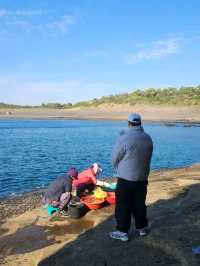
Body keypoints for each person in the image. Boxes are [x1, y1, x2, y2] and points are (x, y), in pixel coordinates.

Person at [110, 113, 153, 241]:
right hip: (142, 178)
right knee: (139, 204)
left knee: (123, 205)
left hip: (126, 179)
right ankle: (142, 228)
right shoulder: (148, 138)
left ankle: (122, 231)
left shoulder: (124, 137)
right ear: (140, 123)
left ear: (128, 123)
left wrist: (118, 167)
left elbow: (114, 159)